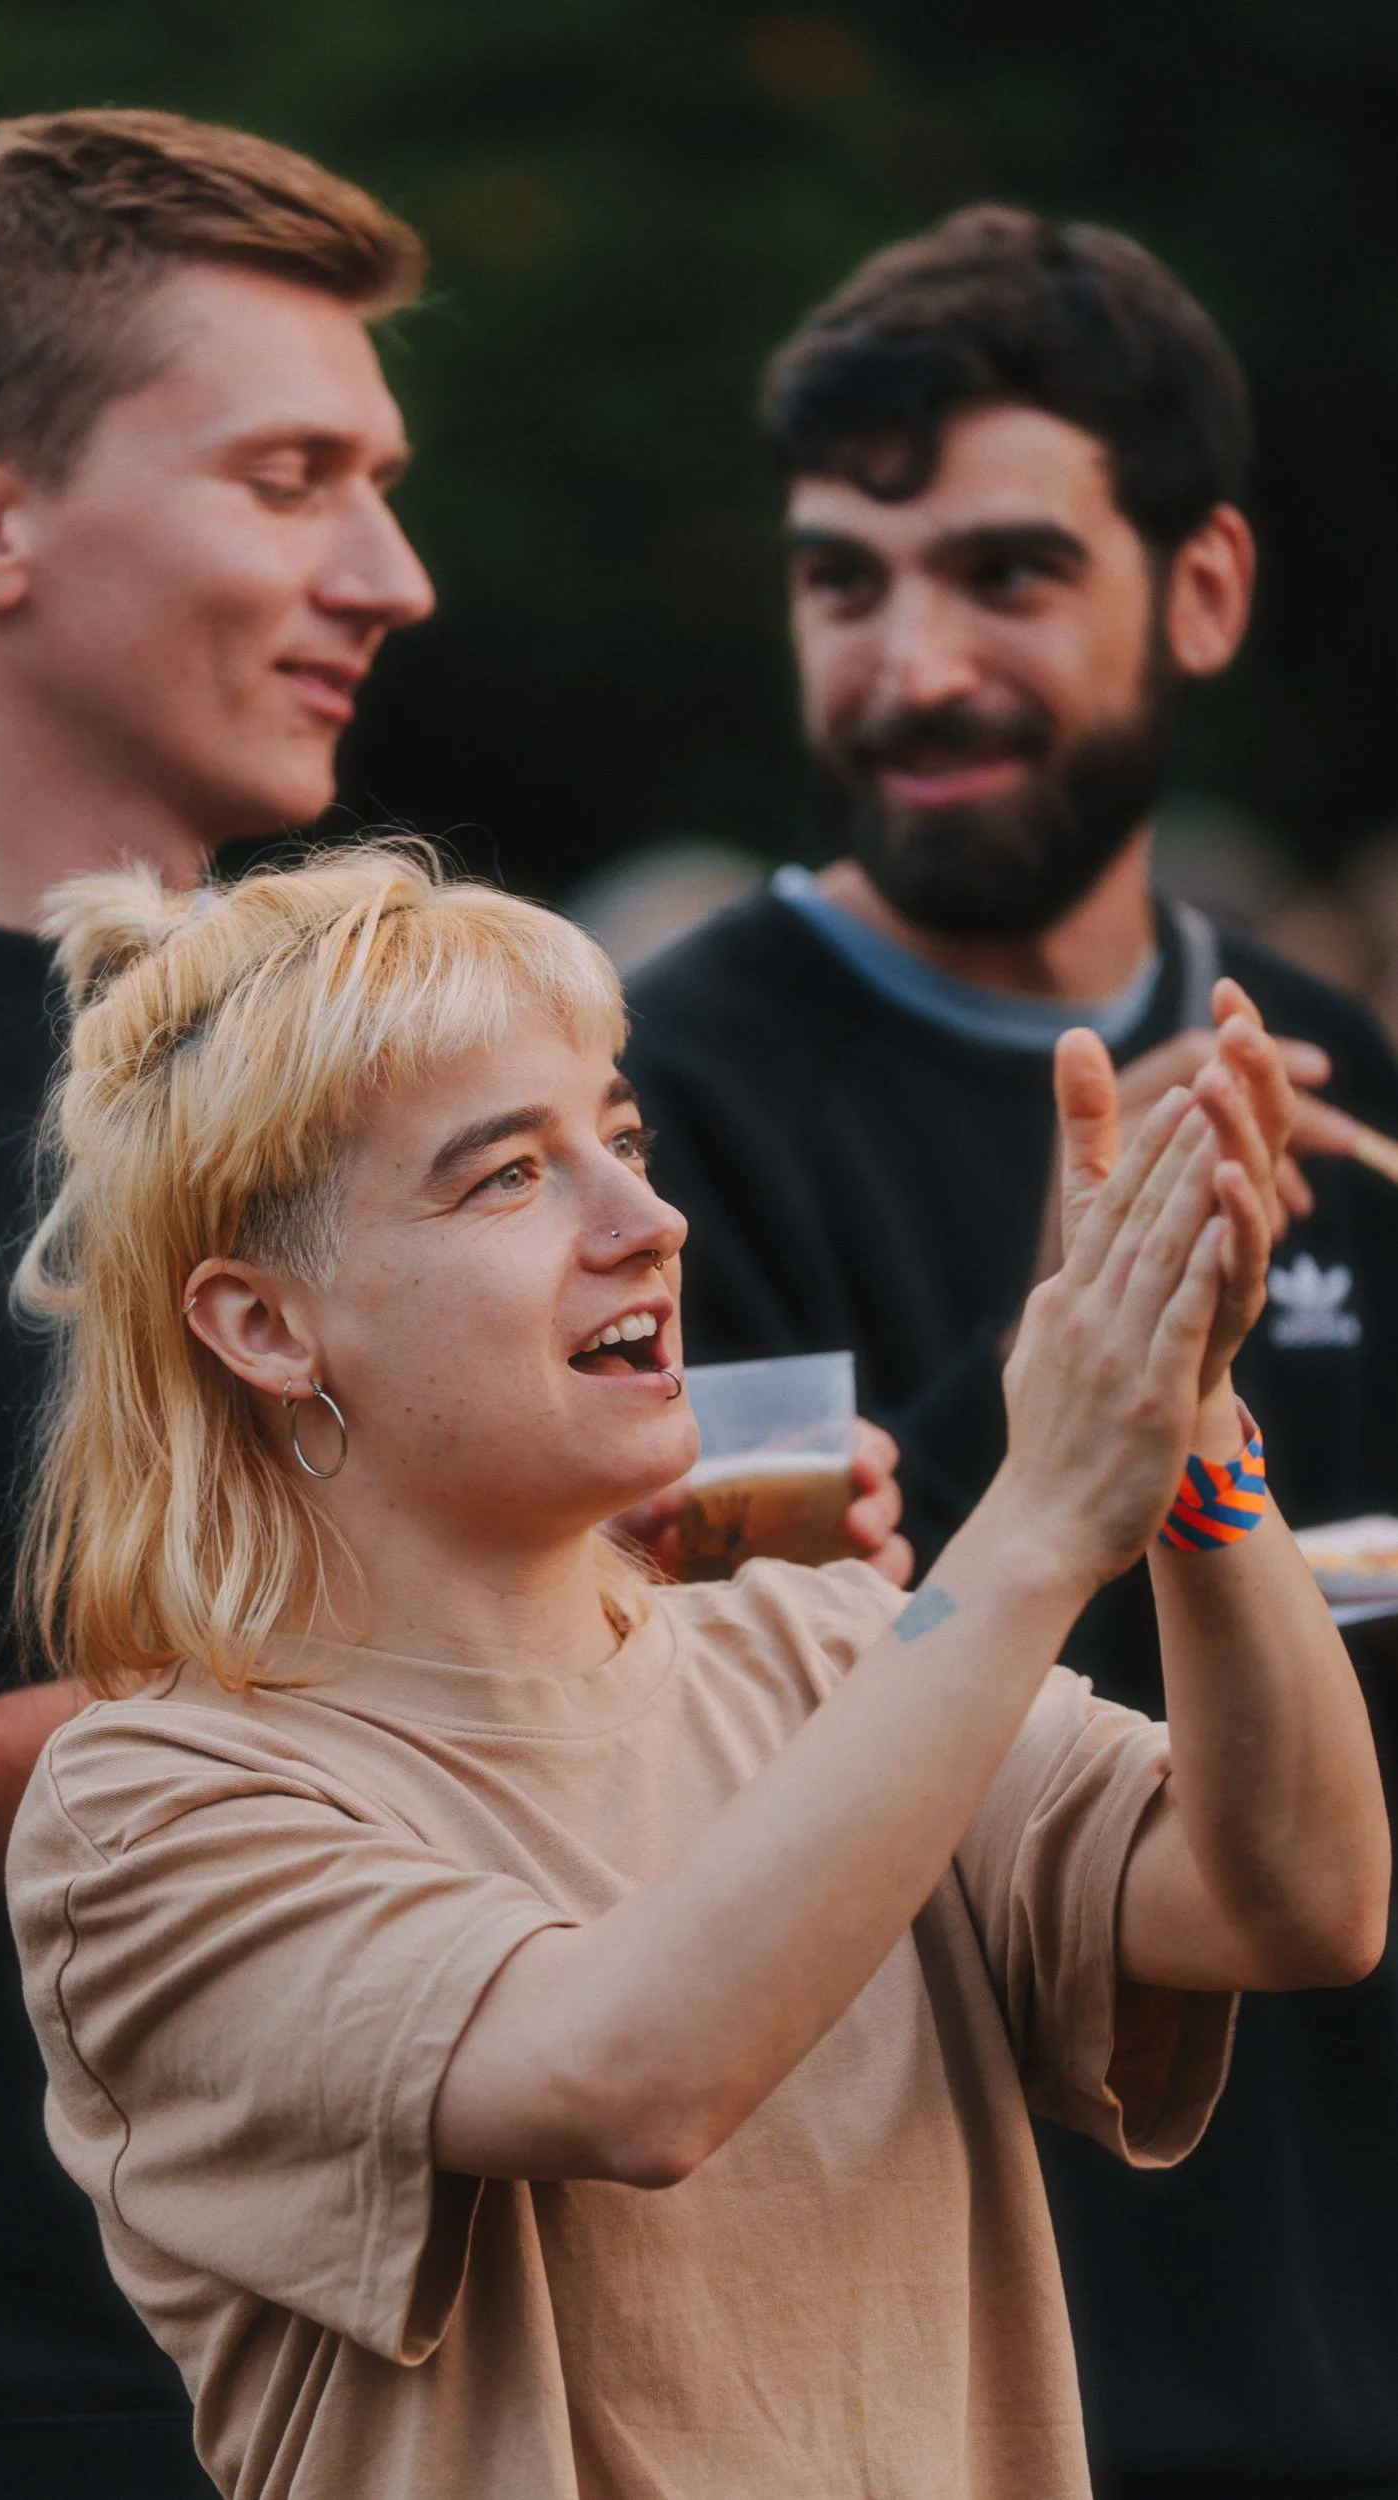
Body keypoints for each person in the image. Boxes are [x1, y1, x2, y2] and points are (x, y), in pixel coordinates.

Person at [2, 840, 1383, 2500]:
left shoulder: (819, 1644)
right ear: (263, 1326)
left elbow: (1294, 1902)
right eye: (507, 1175)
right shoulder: (154, 1802)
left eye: (625, 1139)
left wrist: (1188, 1418)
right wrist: (1030, 1524)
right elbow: (631, 2078)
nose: (647, 1221)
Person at [621, 206, 1398, 2497]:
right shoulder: (651, 1110)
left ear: (1204, 590)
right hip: (942, 2377)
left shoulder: (1328, 1074)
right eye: (839, 582)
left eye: (999, 575)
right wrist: (1063, 1356)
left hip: (1334, 2339)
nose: (907, 664)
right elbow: (697, 1718)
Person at [0, 108, 439, 2497]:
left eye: (383, 481)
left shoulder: (417, 1064)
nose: (393, 571)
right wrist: (157, 1721)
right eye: (289, 476)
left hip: (435, 2399)